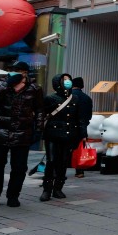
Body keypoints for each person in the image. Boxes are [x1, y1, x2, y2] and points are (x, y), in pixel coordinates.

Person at [0, 61, 43, 207]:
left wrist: (39, 129)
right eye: (14, 71)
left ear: (26, 73)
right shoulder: (0, 84)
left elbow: (40, 110)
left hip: (22, 132)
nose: (18, 74)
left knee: (19, 167)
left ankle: (13, 195)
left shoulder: (34, 88)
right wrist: (7, 85)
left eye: (21, 71)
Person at [40, 73, 80, 201]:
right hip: (52, 134)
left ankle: (58, 188)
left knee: (63, 162)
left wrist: (79, 135)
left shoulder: (75, 99)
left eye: (69, 79)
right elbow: (42, 115)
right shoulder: (50, 98)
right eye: (64, 80)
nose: (67, 82)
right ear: (58, 82)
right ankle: (47, 189)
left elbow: (78, 119)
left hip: (68, 135)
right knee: (51, 161)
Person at [70, 77, 94, 178]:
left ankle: (60, 170)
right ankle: (79, 171)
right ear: (82, 86)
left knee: (64, 149)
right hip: (82, 127)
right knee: (79, 149)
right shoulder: (87, 98)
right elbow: (89, 115)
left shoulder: (68, 96)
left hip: (68, 126)